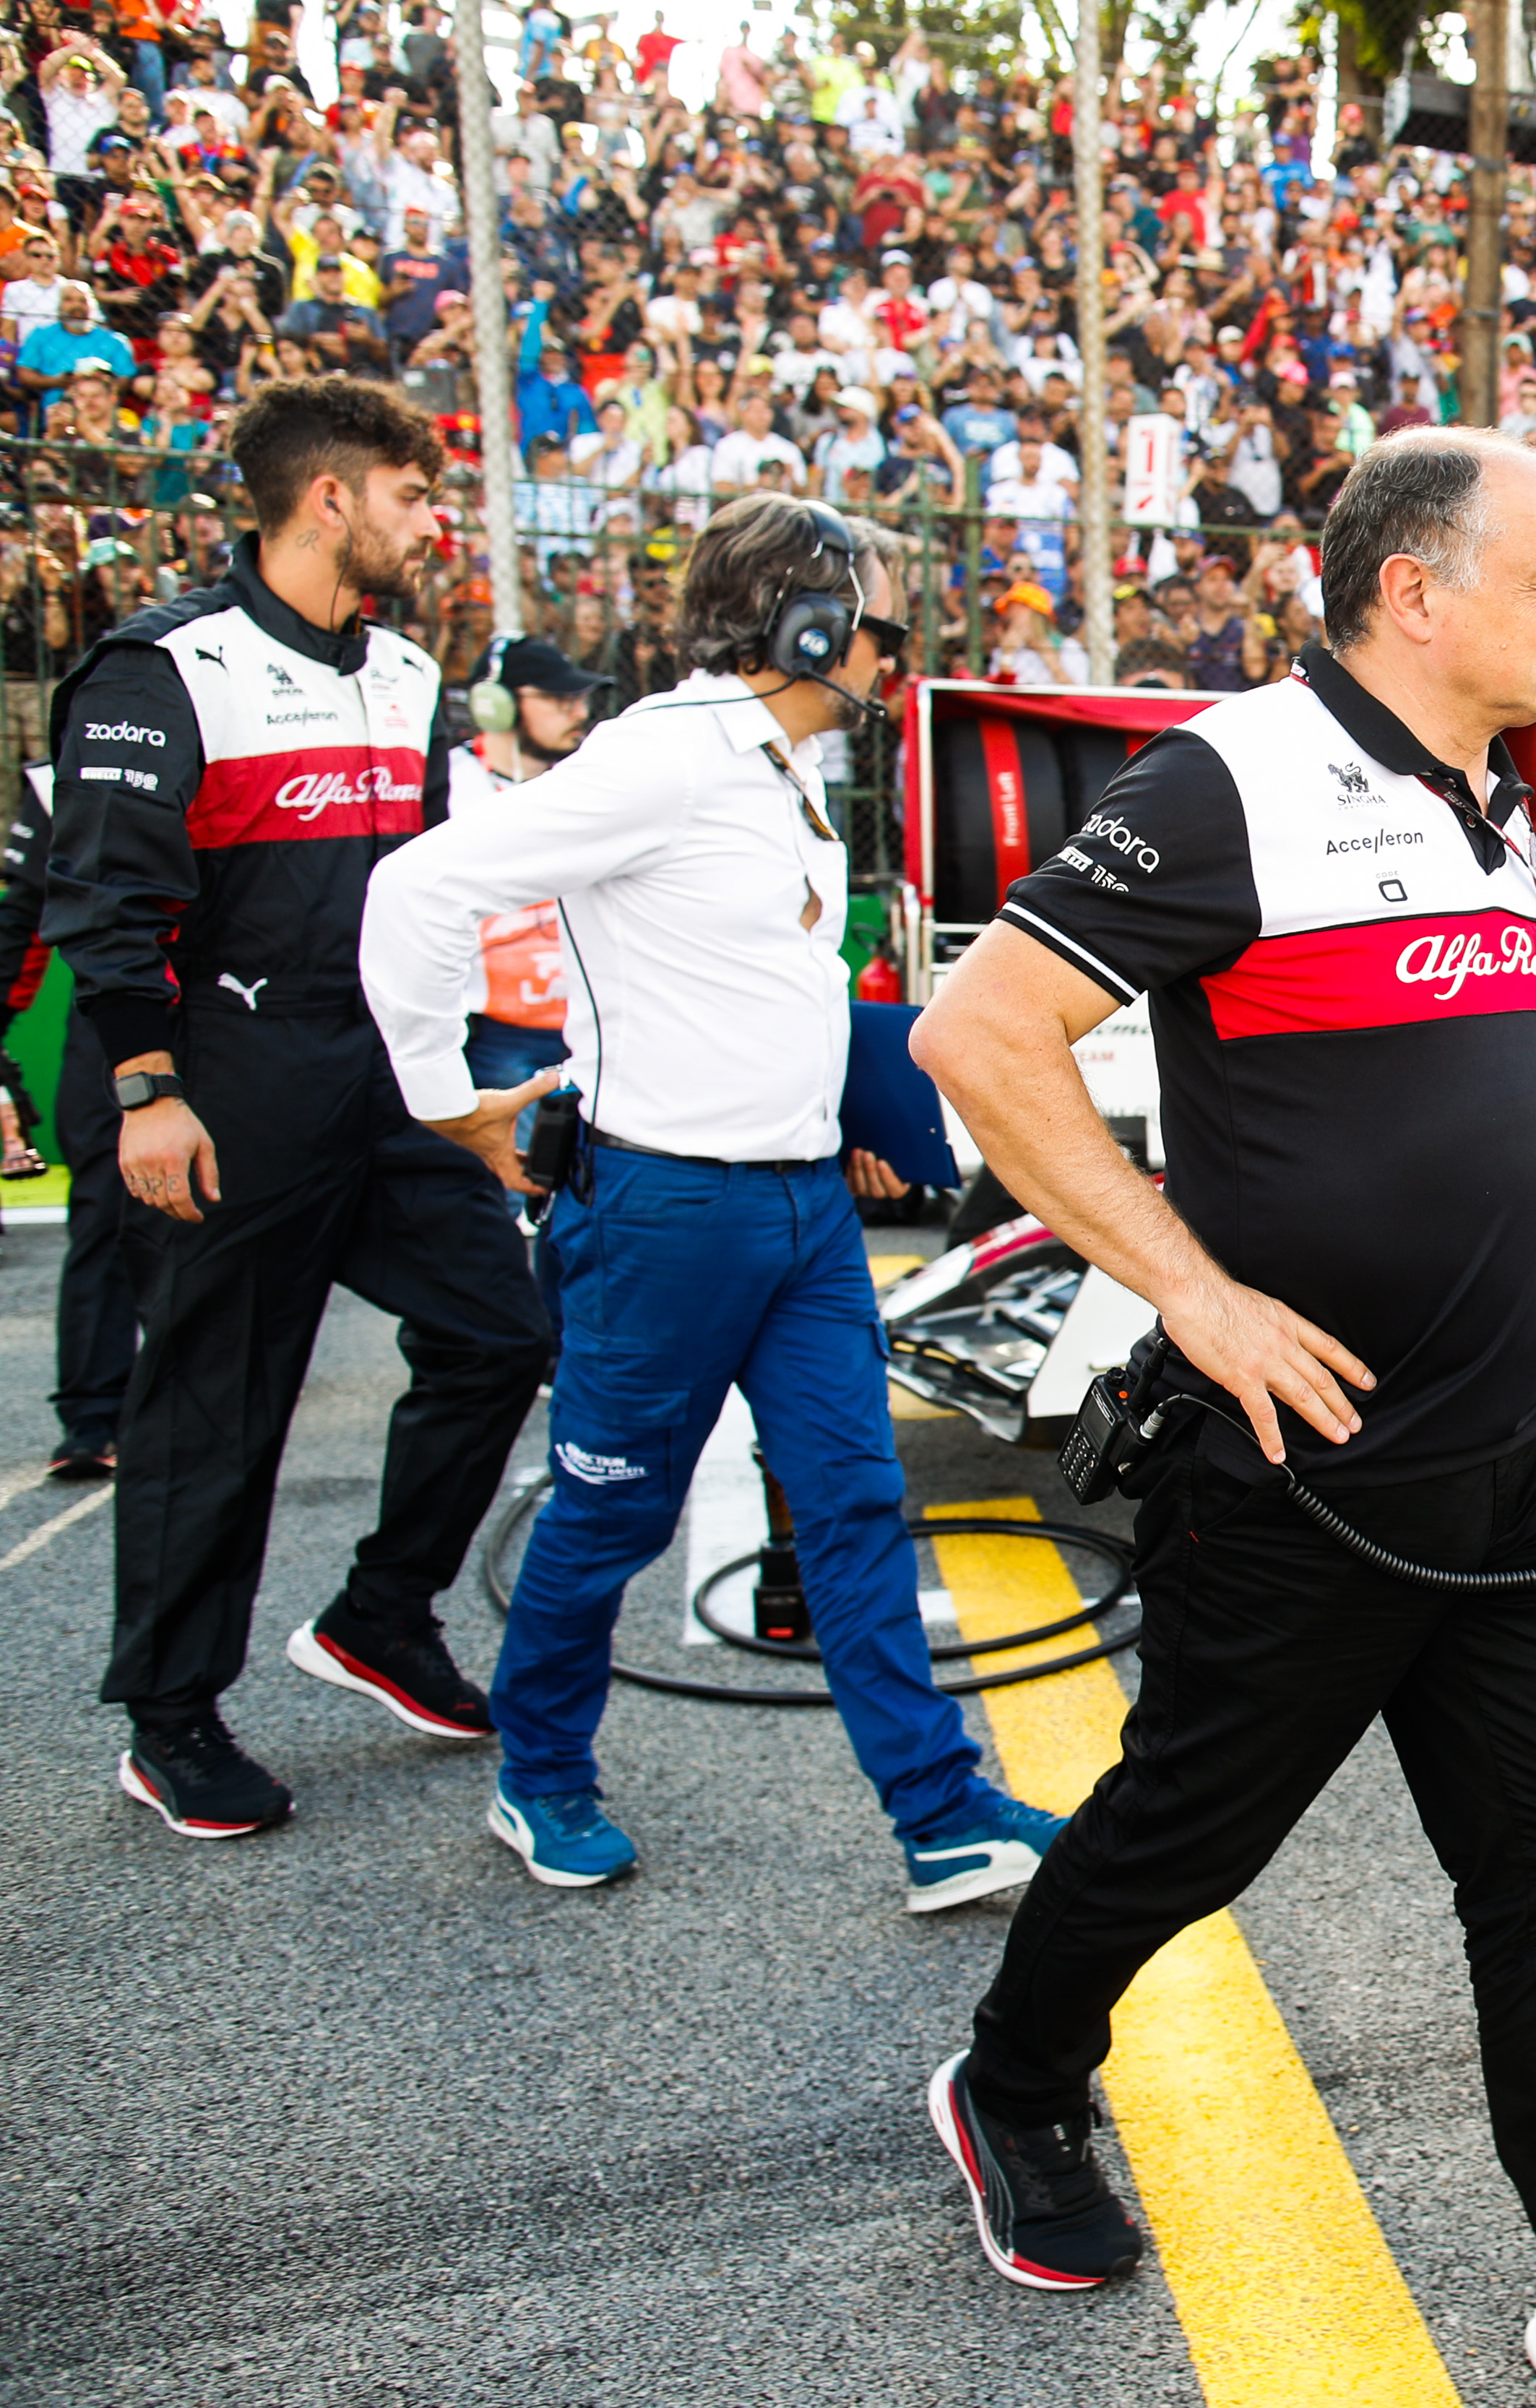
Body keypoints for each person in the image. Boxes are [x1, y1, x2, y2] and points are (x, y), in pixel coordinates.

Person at [906, 430, 1536, 2377]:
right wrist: (1190, 1290)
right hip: (1307, 1473)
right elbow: (978, 1034)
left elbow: (1535, 1112)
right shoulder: (1232, 775)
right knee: (1188, 1829)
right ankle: (1012, 2078)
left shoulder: (1492, 809)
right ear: (1415, 593)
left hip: (1511, 1460)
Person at [354, 495, 1061, 1903]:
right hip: (662, 1217)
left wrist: (841, 1113)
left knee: (856, 1508)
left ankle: (941, 1814)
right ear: (803, 624)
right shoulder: (662, 761)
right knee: (612, 1516)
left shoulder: (782, 767)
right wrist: (447, 1097)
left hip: (801, 1210)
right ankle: (538, 1774)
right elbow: (417, 888)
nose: (888, 648)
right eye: (872, 619)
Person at [46, 376, 557, 1842]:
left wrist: (452, 1085)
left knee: (505, 1330)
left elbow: (436, 887)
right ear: (329, 497)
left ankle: (381, 1616)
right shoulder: (162, 669)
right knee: (221, 1407)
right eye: (411, 495)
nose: (430, 520)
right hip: (221, 1088)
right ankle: (169, 1717)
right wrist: (147, 1089)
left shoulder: (407, 675)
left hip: (380, 1081)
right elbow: (105, 905)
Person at [0, 769, 119, 1482]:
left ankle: (211, 1402)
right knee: (104, 1215)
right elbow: (26, 916)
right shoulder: (58, 782)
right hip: (112, 1019)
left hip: (250, 1021)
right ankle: (92, 1417)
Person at [442, 631, 606, 1098]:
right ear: (496, 705)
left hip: (590, 1024)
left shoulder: (584, 784)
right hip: (498, 1029)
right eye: (560, 699)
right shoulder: (448, 787)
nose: (579, 713)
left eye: (580, 699)